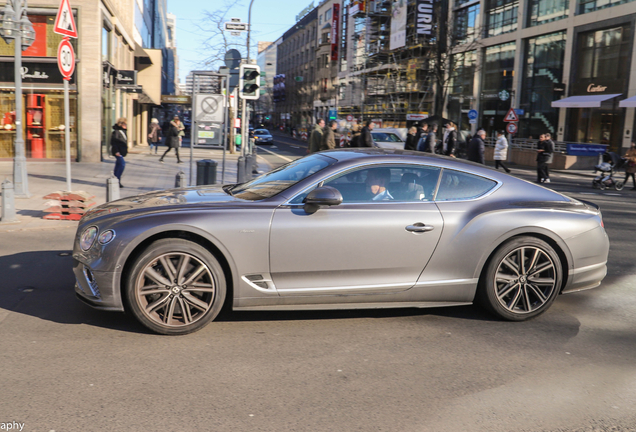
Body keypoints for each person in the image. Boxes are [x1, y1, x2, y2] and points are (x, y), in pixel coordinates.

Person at [110, 117, 128, 188]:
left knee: (118, 165)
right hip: (117, 152)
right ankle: (117, 180)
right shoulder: (116, 132)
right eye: (125, 124)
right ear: (121, 124)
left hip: (121, 151)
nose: (126, 125)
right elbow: (114, 142)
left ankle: (115, 179)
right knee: (122, 164)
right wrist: (116, 151)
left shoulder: (123, 131)